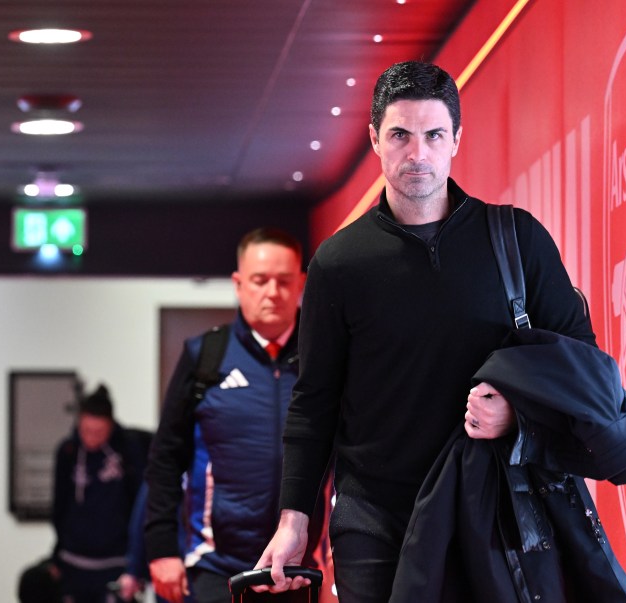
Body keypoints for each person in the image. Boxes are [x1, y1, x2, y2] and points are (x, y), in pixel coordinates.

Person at [253, 61, 599, 602]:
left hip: (492, 508)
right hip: (375, 516)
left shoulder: (516, 240)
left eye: (434, 134)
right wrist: (295, 520)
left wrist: (519, 412)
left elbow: (583, 365)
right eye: (400, 135)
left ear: (456, 139)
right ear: (375, 140)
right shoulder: (339, 263)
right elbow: (313, 402)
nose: (417, 154)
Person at [145, 228, 326, 603]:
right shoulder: (205, 356)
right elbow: (164, 460)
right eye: (260, 280)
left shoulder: (324, 357)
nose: (272, 292)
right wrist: (161, 547)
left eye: (284, 280)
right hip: (216, 566)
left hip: (297, 566)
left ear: (301, 283)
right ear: (239, 283)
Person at [52, 384, 148, 603]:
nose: (92, 438)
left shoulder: (129, 448)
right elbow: (59, 504)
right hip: (74, 559)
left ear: (111, 427)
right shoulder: (68, 451)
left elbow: (139, 502)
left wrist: (137, 561)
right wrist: (58, 550)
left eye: (99, 432)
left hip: (116, 559)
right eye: (86, 431)